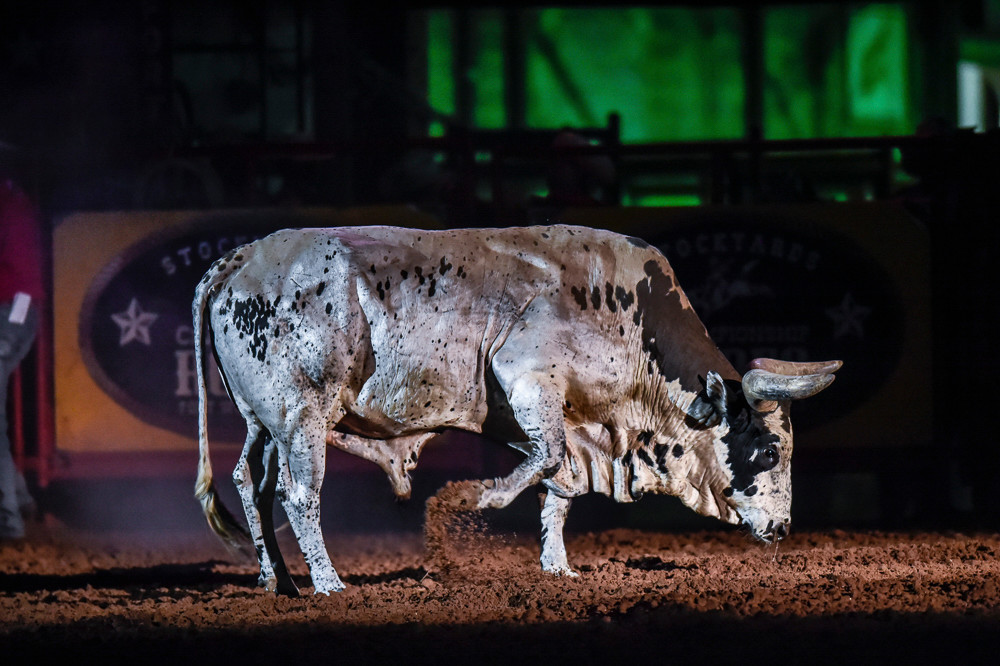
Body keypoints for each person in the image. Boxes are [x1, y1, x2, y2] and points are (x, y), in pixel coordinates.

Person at [0, 154, 43, 540]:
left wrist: (10, 330)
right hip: (17, 311)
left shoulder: (8, 205)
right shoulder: (15, 201)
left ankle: (9, 520)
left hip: (11, 311)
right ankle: (20, 504)